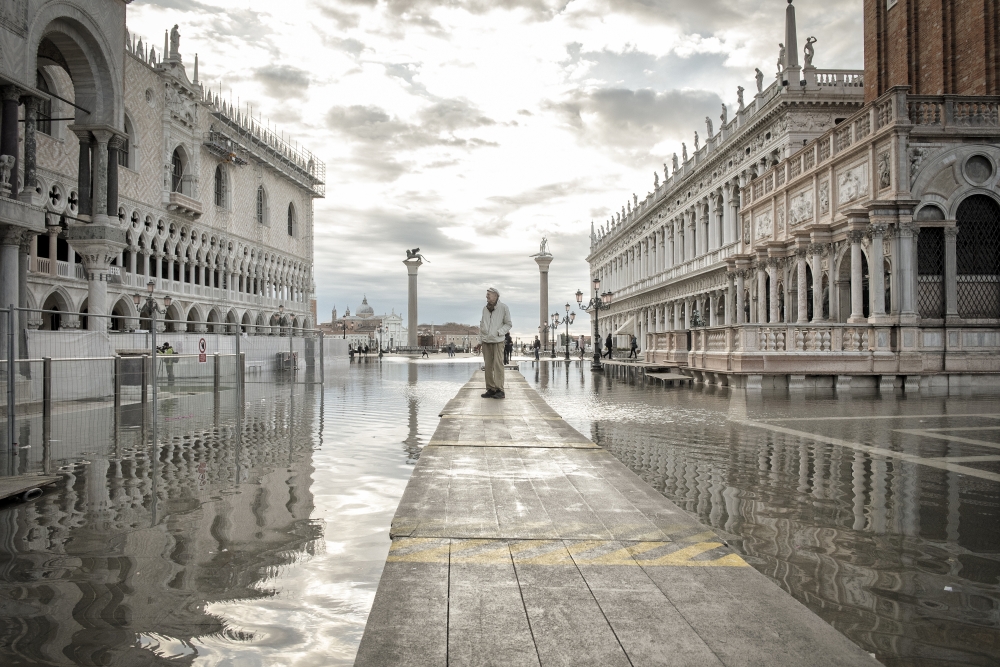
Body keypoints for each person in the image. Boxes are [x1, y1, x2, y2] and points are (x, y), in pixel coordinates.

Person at [479, 287, 512, 399]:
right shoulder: (485, 309)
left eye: (489, 294)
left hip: (498, 341)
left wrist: (499, 332)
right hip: (486, 341)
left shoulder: (503, 308)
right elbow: (482, 324)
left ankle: (499, 389)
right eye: (486, 294)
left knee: (498, 365)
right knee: (488, 365)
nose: (486, 296)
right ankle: (490, 388)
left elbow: (508, 324)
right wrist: (481, 340)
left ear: (496, 295)